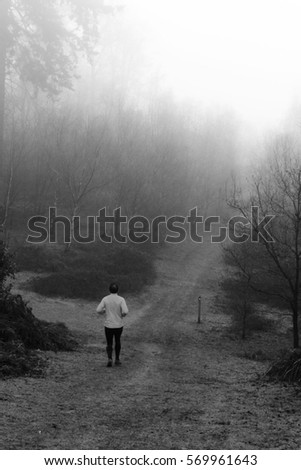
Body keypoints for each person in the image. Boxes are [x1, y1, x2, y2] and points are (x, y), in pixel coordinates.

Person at [96, 283, 129, 367]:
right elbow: (125, 311)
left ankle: (109, 358)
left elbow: (98, 310)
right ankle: (117, 359)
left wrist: (104, 311)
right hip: (118, 324)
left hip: (108, 325)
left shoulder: (105, 299)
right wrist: (122, 315)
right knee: (117, 341)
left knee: (109, 342)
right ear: (118, 290)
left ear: (109, 289)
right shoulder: (121, 299)